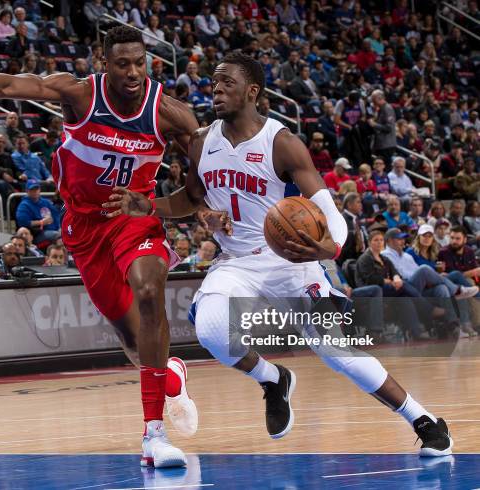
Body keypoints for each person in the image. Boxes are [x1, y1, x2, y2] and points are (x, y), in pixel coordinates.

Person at [105, 52, 454, 457]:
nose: (215, 89)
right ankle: (273, 379)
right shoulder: (202, 142)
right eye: (213, 83)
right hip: (236, 261)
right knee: (213, 330)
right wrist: (150, 206)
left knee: (337, 352)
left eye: (226, 83)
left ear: (252, 91)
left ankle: (424, 420)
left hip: (291, 260)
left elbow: (329, 212)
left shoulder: (282, 142)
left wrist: (330, 248)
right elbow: (192, 198)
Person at [0, 25, 211, 466]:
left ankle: (153, 435)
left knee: (149, 292)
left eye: (139, 63)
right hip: (84, 227)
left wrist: (177, 206)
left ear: (150, 63)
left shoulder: (170, 113)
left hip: (132, 219)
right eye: (122, 63)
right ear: (103, 63)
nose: (132, 72)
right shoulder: (80, 95)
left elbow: (202, 178)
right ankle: (169, 375)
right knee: (130, 335)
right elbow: (12, 84)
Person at [15, 179, 61, 244]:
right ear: (27, 191)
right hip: (37, 234)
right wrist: (41, 222)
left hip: (54, 230)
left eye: (36, 189)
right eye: (32, 189)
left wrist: (60, 228)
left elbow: (56, 216)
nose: (35, 191)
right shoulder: (24, 205)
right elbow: (23, 222)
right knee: (58, 236)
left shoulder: (46, 202)